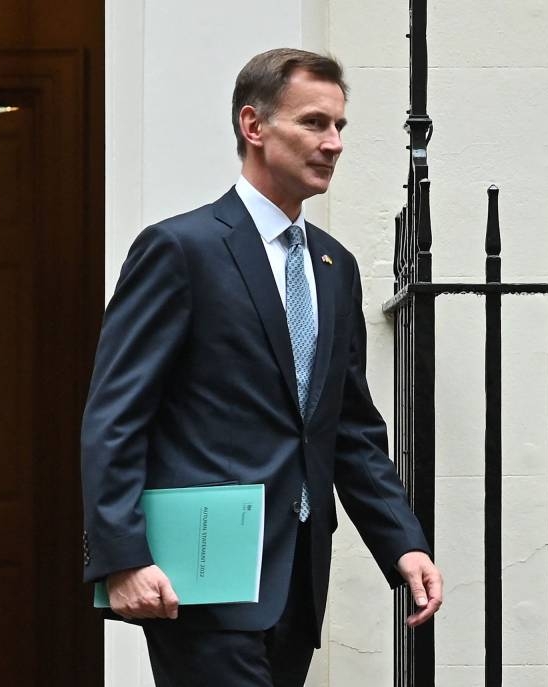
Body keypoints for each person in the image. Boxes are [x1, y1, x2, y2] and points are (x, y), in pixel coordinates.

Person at [80, 48, 443, 686]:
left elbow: (348, 428)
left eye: (339, 127)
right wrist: (121, 557)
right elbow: (115, 414)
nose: (333, 143)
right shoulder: (180, 249)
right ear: (253, 126)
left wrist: (402, 541)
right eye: (313, 123)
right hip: (203, 575)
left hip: (298, 577)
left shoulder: (336, 267)